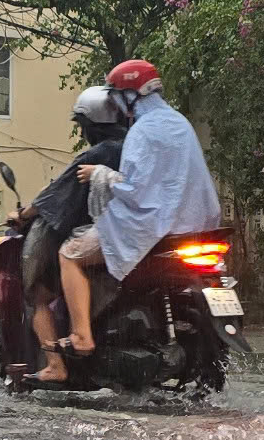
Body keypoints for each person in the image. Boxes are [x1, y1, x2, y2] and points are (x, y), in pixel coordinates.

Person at [54, 59, 223, 360]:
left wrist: (99, 174)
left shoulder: (142, 131)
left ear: (130, 95)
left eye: (117, 96)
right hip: (194, 226)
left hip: (151, 227)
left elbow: (134, 189)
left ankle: (81, 336)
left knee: (70, 254)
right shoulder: (180, 123)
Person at [15, 87, 128, 382]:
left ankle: (63, 358)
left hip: (115, 235)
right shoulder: (137, 148)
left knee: (41, 291)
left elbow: (53, 195)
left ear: (90, 124)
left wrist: (22, 214)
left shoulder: (97, 155)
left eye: (81, 125)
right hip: (147, 233)